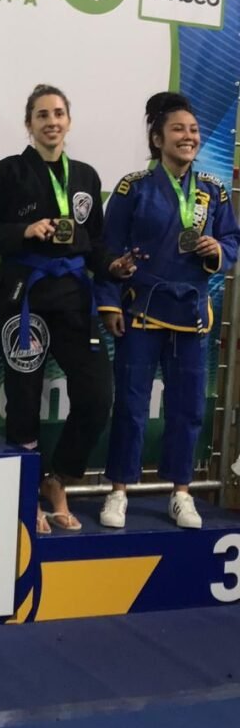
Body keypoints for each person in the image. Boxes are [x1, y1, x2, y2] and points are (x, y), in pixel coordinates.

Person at [0, 83, 135, 533]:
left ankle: (57, 478)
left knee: (97, 395)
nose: (52, 122)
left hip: (75, 297)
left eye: (58, 113)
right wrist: (24, 231)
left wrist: (112, 266)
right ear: (29, 124)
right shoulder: (7, 172)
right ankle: (27, 488)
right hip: (24, 295)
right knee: (24, 396)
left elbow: (94, 243)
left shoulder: (86, 177)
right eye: (42, 115)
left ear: (69, 121)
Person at [97, 91, 240, 529]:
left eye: (193, 130)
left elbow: (232, 240)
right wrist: (109, 301)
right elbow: (107, 248)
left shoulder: (214, 190)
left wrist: (218, 250)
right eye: (178, 129)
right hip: (141, 311)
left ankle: (181, 491)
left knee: (188, 407)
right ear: (157, 139)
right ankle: (119, 489)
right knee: (132, 404)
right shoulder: (133, 187)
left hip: (192, 313)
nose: (189, 136)